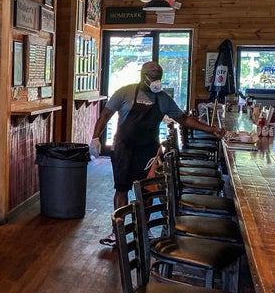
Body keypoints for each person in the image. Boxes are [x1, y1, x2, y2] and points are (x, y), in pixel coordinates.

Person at [90, 61, 224, 247]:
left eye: (158, 77)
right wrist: (95, 138)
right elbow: (105, 114)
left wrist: (211, 130)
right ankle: (116, 232)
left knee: (147, 191)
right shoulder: (125, 92)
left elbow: (184, 119)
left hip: (148, 151)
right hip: (123, 149)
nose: (155, 80)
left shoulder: (163, 99)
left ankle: (144, 228)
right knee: (121, 189)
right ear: (143, 76)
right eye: (152, 77)